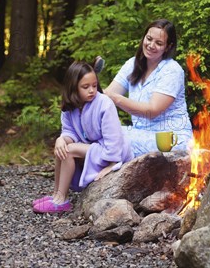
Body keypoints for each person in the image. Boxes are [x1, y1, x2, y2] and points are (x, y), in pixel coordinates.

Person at [32, 61, 134, 214]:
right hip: (92, 149)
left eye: (94, 85)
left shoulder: (104, 104)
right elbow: (69, 132)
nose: (91, 90)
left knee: (69, 150)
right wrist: (61, 139)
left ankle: (62, 200)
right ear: (73, 87)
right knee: (62, 147)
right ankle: (56, 194)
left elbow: (114, 138)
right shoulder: (69, 107)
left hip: (111, 151)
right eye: (85, 87)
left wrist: (112, 164)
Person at [103, 19, 193, 157]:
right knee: (97, 133)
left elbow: (152, 111)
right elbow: (106, 96)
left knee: (108, 138)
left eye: (159, 43)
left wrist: (116, 99)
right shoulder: (132, 64)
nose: (151, 45)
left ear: (168, 47)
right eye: (149, 39)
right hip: (140, 134)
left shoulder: (172, 70)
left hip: (170, 139)